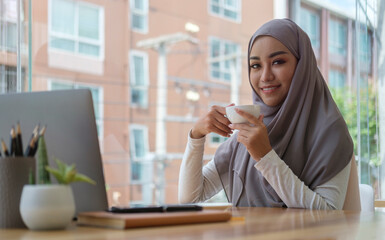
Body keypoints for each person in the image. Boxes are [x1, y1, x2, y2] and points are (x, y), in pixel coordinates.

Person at [178, 18, 360, 209]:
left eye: (278, 62)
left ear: (302, 66)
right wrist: (196, 136)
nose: (265, 77)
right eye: (255, 66)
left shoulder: (329, 130)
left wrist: (265, 156)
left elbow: (328, 214)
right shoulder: (251, 130)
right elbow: (190, 198)